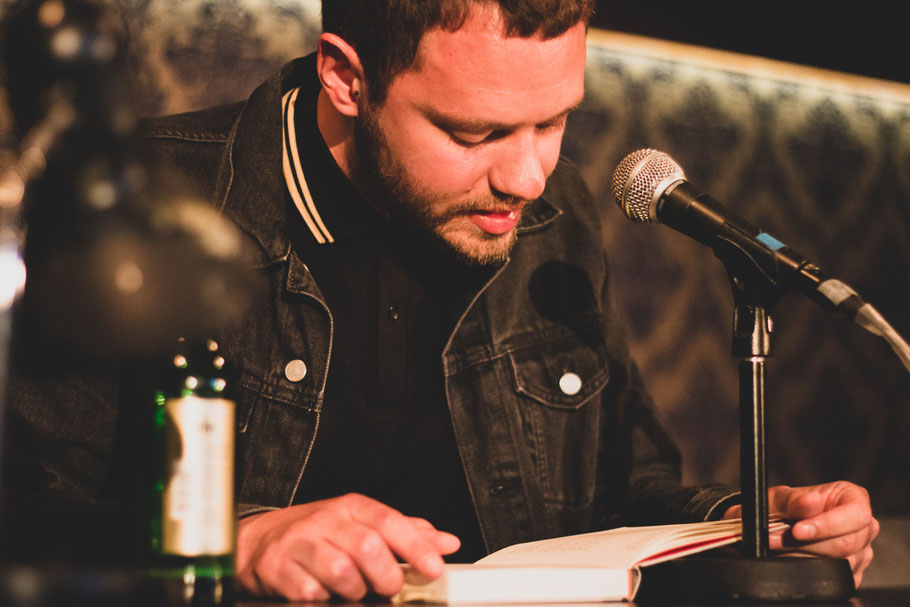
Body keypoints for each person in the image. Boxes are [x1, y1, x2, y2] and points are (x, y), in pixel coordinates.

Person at [2, 0, 877, 602]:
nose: (529, 175)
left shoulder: (557, 214)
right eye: (477, 132)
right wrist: (237, 540)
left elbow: (619, 490)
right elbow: (27, 511)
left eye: (554, 119)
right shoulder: (141, 202)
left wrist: (746, 521)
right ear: (346, 78)